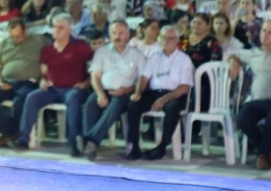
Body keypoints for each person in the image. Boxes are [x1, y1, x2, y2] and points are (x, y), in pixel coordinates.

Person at [9, 13, 93, 155]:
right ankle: (23, 139)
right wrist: (42, 80)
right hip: (52, 88)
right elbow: (44, 71)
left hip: (73, 88)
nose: (56, 30)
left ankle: (75, 143)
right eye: (55, 27)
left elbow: (94, 68)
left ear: (69, 29)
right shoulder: (47, 49)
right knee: (32, 97)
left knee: (73, 100)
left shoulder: (81, 46)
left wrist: (86, 83)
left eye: (61, 27)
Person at [125, 26, 194, 161]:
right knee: (133, 104)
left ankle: (162, 147)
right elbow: (144, 78)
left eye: (171, 38)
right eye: (163, 38)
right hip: (154, 93)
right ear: (159, 39)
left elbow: (185, 87)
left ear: (177, 41)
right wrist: (138, 92)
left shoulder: (184, 59)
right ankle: (134, 146)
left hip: (174, 94)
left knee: (172, 108)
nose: (167, 41)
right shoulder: (154, 57)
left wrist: (164, 99)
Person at [80, 21, 146, 160]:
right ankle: (91, 145)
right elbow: (95, 76)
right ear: (109, 35)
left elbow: (142, 80)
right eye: (114, 33)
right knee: (90, 103)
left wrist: (127, 90)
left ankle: (90, 140)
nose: (117, 36)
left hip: (125, 93)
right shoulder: (102, 52)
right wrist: (100, 94)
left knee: (116, 104)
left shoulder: (137, 54)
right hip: (103, 91)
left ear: (128, 35)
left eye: (121, 33)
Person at [229, 19, 271, 169]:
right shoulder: (254, 53)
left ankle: (261, 154)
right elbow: (234, 54)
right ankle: (268, 151)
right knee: (242, 119)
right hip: (257, 101)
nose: (265, 35)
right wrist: (233, 61)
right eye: (264, 31)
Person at [0, 18, 45, 146]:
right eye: (13, 37)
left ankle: (9, 134)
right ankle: (11, 132)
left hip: (28, 82)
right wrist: (0, 82)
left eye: (18, 36)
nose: (15, 39)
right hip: (7, 82)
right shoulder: (4, 44)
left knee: (20, 101)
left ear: (26, 30)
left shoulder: (38, 41)